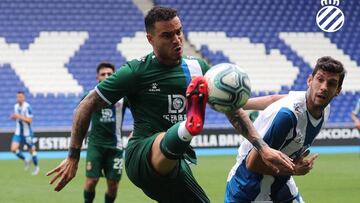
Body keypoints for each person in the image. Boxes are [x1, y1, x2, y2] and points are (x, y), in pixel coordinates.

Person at [47, 6, 294, 202]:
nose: (176, 40)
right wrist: (72, 156)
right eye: (167, 35)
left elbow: (234, 109)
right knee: (168, 137)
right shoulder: (135, 72)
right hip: (142, 155)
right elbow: (86, 105)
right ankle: (189, 126)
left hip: (176, 164)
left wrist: (262, 147)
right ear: (150, 39)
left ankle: (187, 129)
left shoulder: (197, 68)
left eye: (179, 32)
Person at [225, 56, 346, 203]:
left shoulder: (324, 108)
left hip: (280, 183)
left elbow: (275, 99)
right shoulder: (287, 117)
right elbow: (252, 163)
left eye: (331, 84)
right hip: (249, 187)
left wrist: (242, 104)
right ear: (310, 80)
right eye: (320, 80)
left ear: (338, 90)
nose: (324, 87)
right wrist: (294, 169)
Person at [82, 62, 127, 203]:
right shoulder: (89, 96)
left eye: (110, 74)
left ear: (114, 76)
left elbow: (141, 114)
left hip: (116, 147)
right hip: (95, 145)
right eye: (103, 74)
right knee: (91, 181)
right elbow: (80, 117)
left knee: (113, 186)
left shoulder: (123, 97)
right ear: (97, 78)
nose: (106, 76)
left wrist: (135, 134)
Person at [10, 91, 40, 175]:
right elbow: (16, 118)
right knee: (13, 149)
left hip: (27, 133)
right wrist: (13, 117)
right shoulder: (15, 106)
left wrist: (18, 116)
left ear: (24, 98)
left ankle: (36, 167)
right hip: (18, 132)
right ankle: (26, 160)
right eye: (18, 97)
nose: (19, 98)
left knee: (32, 151)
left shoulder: (27, 107)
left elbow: (30, 120)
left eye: (20, 97)